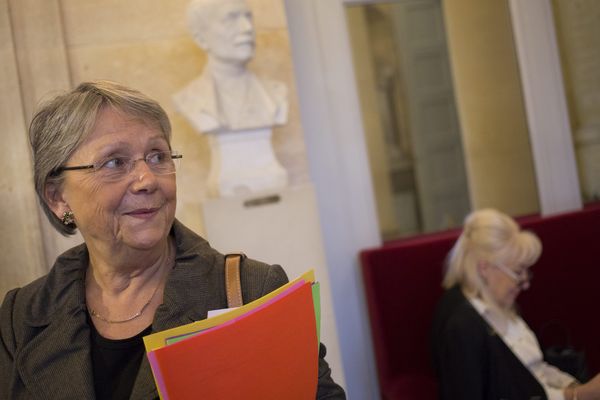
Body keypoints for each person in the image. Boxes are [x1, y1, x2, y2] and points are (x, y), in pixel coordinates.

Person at [0, 80, 345, 399]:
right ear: (58, 198)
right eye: (115, 162)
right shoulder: (20, 318)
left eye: (157, 156)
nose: (146, 179)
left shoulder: (254, 290)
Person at [431, 208, 600, 400]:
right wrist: (579, 395)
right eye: (518, 272)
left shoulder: (493, 300)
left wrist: (573, 386)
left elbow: (534, 369)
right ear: (484, 268)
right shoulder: (463, 326)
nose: (525, 284)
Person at [173, 0, 288, 133]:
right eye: (231, 19)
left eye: (248, 17)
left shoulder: (277, 93)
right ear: (201, 39)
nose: (247, 28)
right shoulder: (189, 98)